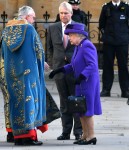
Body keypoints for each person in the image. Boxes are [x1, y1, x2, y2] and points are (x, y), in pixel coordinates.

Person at [49, 23, 102, 145]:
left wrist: (82, 76)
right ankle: (85, 135)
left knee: (87, 110)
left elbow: (92, 65)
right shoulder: (79, 46)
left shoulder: (87, 46)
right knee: (81, 110)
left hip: (87, 83)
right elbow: (73, 65)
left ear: (78, 35)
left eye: (71, 36)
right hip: (80, 83)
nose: (69, 38)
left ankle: (91, 136)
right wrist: (60, 70)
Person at [1, 6, 47, 146]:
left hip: (11, 73)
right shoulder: (29, 30)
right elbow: (39, 51)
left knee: (15, 102)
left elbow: (2, 53)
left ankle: (18, 136)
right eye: (33, 17)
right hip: (28, 73)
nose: (33, 20)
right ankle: (28, 137)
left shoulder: (6, 30)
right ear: (27, 17)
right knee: (29, 101)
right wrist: (40, 67)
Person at [47, 1, 83, 140]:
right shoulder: (53, 28)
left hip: (74, 70)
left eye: (66, 13)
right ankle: (66, 131)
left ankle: (78, 132)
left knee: (76, 100)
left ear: (71, 13)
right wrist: (52, 63)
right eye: (61, 13)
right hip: (59, 70)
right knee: (64, 101)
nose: (63, 15)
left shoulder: (78, 27)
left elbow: (83, 47)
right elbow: (49, 48)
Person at [99, 0, 129, 100]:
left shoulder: (126, 7)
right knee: (107, 65)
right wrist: (107, 35)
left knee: (123, 66)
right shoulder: (106, 7)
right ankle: (106, 90)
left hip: (122, 42)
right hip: (109, 42)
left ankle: (125, 90)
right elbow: (101, 24)